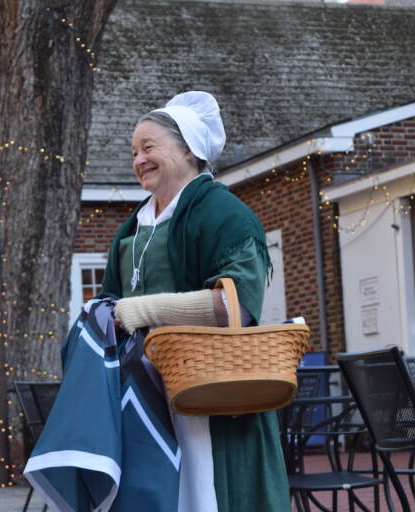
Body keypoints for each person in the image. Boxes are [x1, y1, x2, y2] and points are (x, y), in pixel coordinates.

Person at [101, 91, 290, 511]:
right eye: (134, 152)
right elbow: (111, 299)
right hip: (144, 396)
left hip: (210, 391)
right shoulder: (135, 226)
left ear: (189, 149)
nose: (138, 160)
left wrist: (144, 311)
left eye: (149, 147)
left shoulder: (225, 215)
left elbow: (236, 306)